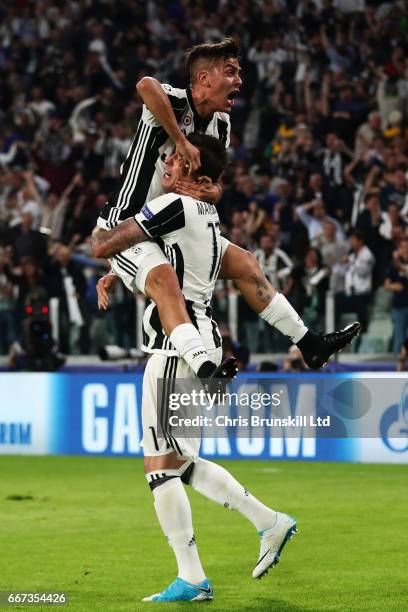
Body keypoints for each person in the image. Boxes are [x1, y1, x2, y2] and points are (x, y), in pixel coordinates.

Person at [97, 134, 297, 603]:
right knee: (181, 465)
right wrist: (121, 271)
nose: (166, 162)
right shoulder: (203, 213)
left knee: (160, 470)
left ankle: (192, 577)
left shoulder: (177, 206)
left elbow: (112, 242)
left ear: (191, 170)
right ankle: (270, 522)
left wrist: (107, 249)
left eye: (174, 157)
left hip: (176, 349)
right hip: (195, 339)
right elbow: (160, 260)